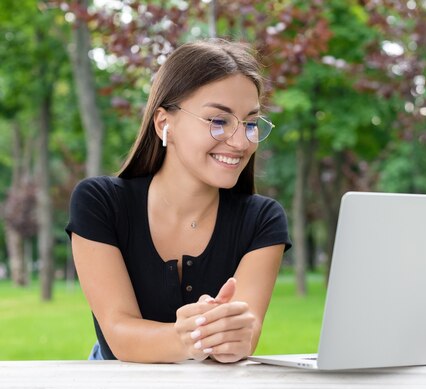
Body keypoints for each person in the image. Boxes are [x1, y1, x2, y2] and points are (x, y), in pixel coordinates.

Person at [66, 39, 291, 363]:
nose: (241, 141)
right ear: (164, 122)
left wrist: (233, 337)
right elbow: (119, 334)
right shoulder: (100, 202)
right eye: (218, 120)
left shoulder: (262, 219)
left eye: (251, 123)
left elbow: (246, 334)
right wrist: (189, 337)